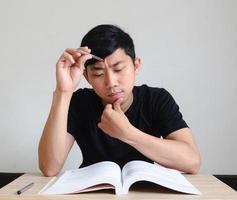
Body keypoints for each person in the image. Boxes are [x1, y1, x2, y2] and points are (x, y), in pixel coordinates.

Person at [38, 24, 201, 177]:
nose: (111, 82)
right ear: (86, 77)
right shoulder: (80, 102)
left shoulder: (157, 99)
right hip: (92, 191)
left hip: (145, 190)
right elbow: (49, 167)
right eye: (98, 74)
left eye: (118, 69)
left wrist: (127, 133)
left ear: (136, 66)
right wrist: (63, 92)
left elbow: (192, 161)